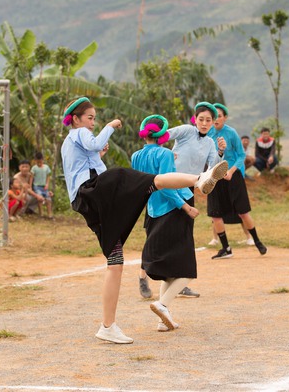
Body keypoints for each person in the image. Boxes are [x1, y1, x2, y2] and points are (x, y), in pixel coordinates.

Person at [60, 97, 227, 344]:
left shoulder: (79, 143)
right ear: (75, 119)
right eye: (90, 118)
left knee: (115, 261)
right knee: (152, 180)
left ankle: (107, 326)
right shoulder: (77, 134)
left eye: (94, 119)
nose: (93, 123)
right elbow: (96, 145)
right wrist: (111, 125)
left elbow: (95, 163)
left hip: (90, 202)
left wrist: (99, 157)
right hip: (91, 192)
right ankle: (199, 179)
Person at [132, 114, 199, 332]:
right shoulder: (166, 153)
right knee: (187, 270)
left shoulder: (136, 156)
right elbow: (168, 186)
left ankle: (163, 319)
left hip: (152, 213)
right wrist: (186, 207)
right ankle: (162, 304)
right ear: (163, 134)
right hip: (173, 211)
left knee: (167, 269)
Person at [208, 103, 267, 259]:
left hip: (233, 175)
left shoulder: (231, 133)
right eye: (214, 116)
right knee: (215, 214)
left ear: (225, 118)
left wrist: (231, 171)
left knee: (242, 212)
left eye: (219, 116)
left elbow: (241, 155)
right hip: (215, 176)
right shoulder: (207, 133)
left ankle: (257, 241)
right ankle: (226, 248)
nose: (216, 119)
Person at [32, 152, 55, 219]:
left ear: (43, 160)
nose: (39, 163)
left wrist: (47, 184)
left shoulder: (46, 167)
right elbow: (31, 178)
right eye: (37, 162)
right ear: (35, 160)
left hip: (44, 186)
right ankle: (41, 214)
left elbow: (48, 176)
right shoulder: (34, 168)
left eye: (40, 161)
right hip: (37, 186)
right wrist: (31, 186)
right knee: (40, 199)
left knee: (48, 199)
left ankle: (50, 214)